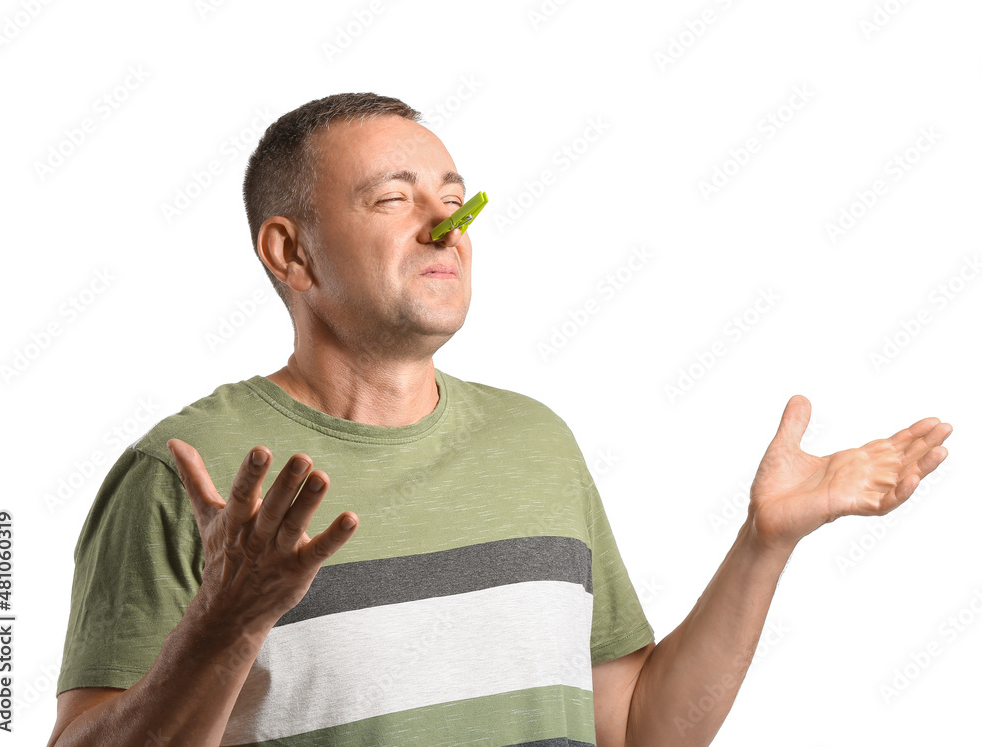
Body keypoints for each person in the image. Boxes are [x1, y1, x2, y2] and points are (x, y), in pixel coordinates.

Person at [47, 93, 953, 747]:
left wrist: (764, 543)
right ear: (291, 251)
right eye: (394, 198)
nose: (446, 224)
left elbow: (638, 730)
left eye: (453, 195)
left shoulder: (535, 443)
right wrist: (228, 621)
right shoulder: (190, 471)